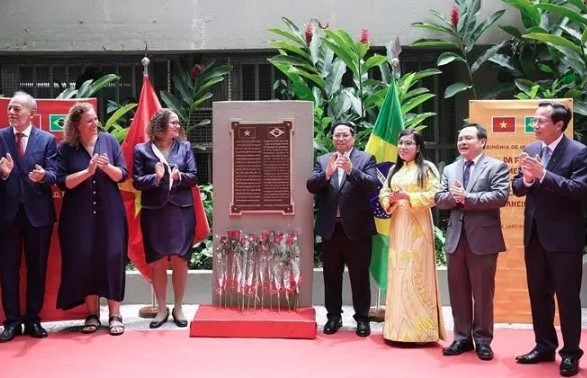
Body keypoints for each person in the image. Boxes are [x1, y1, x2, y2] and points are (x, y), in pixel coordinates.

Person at [512, 101, 587, 377]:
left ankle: (570, 354)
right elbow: (517, 187)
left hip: (565, 239)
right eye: (533, 120)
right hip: (534, 236)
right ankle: (544, 346)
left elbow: (580, 190)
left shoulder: (579, 153)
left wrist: (544, 175)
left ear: (559, 125)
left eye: (540, 121)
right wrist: (529, 180)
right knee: (539, 295)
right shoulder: (532, 150)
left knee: (567, 298)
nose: (535, 125)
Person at [435, 123, 509, 361]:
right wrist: (453, 198)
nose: (462, 143)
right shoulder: (451, 169)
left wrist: (468, 198)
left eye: (468, 138)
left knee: (483, 293)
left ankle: (484, 341)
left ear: (482, 141)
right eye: (460, 139)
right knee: (458, 292)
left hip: (483, 239)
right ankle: (462, 338)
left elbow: (500, 196)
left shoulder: (496, 166)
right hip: (456, 238)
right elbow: (439, 198)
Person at [56, 102, 128, 336]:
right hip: (79, 214)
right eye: (89, 121)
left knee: (113, 255)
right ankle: (92, 314)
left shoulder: (109, 141)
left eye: (95, 119)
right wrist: (87, 172)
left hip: (110, 211)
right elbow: (62, 181)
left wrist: (106, 168)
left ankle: (115, 313)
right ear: (77, 125)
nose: (95, 124)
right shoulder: (66, 148)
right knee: (85, 257)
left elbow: (122, 174)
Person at [306, 120, 378, 337]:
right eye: (337, 135)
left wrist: (351, 170)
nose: (340, 139)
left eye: (345, 135)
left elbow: (372, 184)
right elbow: (311, 186)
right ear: (332, 138)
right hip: (331, 230)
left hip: (357, 230)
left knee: (359, 276)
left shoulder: (365, 158)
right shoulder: (322, 160)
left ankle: (362, 319)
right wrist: (326, 173)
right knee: (331, 276)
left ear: (353, 138)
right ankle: (333, 317)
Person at [378, 128, 446, 344]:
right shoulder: (394, 171)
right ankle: (396, 330)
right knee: (399, 274)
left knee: (416, 273)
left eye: (408, 143)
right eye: (401, 143)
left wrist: (408, 196)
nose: (403, 147)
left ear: (418, 148)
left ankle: (421, 332)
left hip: (419, 229)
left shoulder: (427, 168)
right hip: (399, 227)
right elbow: (383, 192)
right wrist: (391, 200)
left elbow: (435, 195)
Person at [132, 108, 198, 329]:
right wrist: (155, 177)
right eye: (173, 123)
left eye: (178, 123)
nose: (178, 127)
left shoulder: (185, 148)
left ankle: (178, 308)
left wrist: (180, 177)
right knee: (157, 261)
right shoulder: (142, 150)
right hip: (154, 212)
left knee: (180, 259)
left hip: (181, 211)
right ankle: (161, 309)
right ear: (160, 126)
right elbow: (137, 181)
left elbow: (194, 176)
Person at [0, 91, 57, 343]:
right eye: (10, 109)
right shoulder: (0, 137)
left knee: (37, 269)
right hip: (7, 216)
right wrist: (4, 175)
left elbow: (56, 174)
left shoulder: (46, 140)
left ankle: (33, 319)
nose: (11, 112)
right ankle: (11, 322)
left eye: (17, 109)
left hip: (38, 216)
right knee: (8, 269)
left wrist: (43, 176)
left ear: (32, 114)